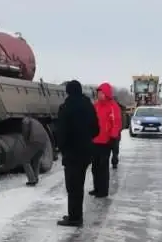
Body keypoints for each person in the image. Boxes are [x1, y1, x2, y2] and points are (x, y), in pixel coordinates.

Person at [55, 79, 99, 227]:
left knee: (73, 187)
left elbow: (61, 133)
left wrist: (62, 148)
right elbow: (96, 129)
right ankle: (75, 215)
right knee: (79, 184)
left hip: (72, 154)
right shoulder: (89, 106)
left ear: (68, 92)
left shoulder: (66, 108)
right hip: (86, 152)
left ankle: (74, 218)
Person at [90, 82, 123, 198]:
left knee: (103, 168)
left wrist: (113, 137)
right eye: (98, 93)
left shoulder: (113, 106)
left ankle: (103, 191)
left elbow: (117, 123)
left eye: (101, 93)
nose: (99, 95)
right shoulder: (96, 106)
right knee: (95, 167)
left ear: (106, 94)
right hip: (95, 141)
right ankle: (96, 188)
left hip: (106, 142)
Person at [20, 116, 49, 186]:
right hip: (44, 142)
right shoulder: (35, 121)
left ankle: (32, 180)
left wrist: (26, 140)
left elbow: (26, 130)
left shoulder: (26, 120)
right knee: (36, 159)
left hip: (35, 141)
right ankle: (36, 178)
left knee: (24, 160)